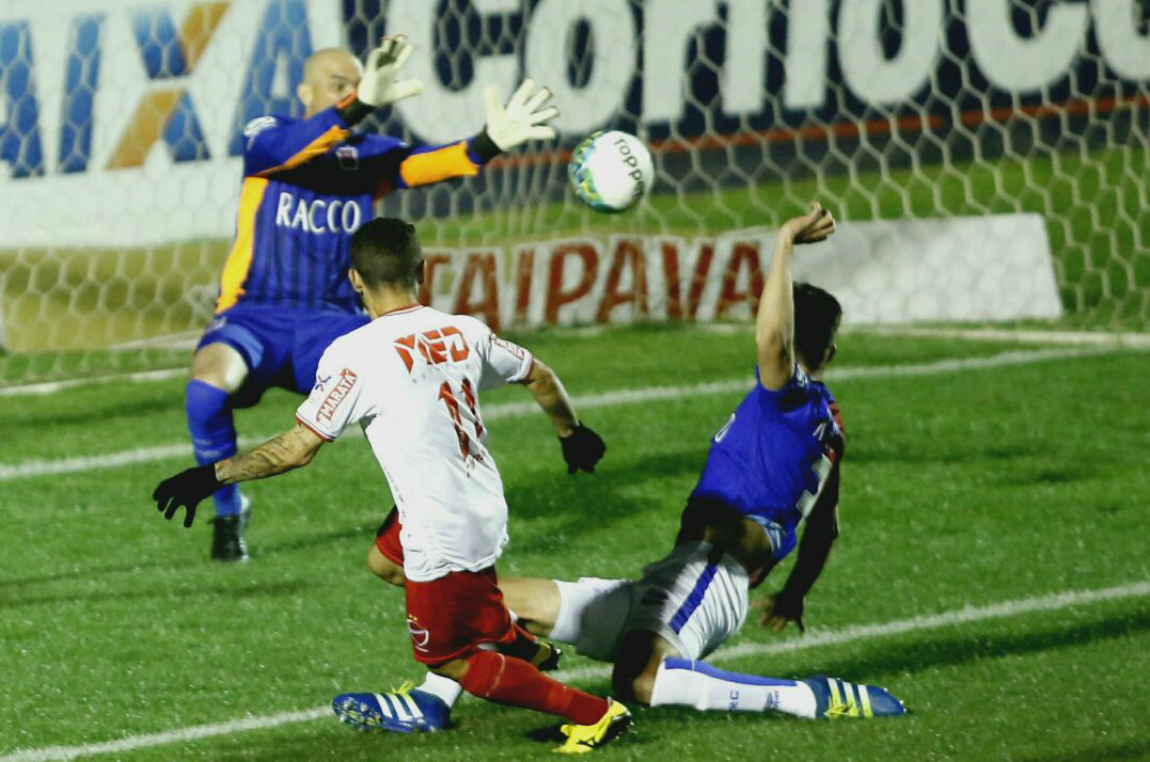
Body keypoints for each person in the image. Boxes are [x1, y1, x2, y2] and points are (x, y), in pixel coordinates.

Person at [356, 202, 907, 731]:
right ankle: (431, 704)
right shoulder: (827, 427)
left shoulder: (787, 395)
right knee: (498, 605)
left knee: (640, 681)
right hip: (675, 576)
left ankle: (808, 699)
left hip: (711, 574)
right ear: (831, 353)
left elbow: (771, 339)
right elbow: (824, 527)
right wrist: (794, 595)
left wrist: (783, 242)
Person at [153, 217, 631, 754]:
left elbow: (297, 448)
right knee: (385, 562)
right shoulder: (466, 331)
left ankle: (593, 712)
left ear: (354, 280)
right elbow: (539, 375)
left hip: (440, 526)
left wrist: (211, 474)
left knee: (451, 660)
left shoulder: (355, 354)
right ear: (421, 271)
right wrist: (572, 433)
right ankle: (521, 645)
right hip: (476, 503)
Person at [187, 36, 559, 561]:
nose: (351, 88)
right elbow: (279, 150)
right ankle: (228, 511)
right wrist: (355, 104)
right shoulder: (270, 136)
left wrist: (489, 141)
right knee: (205, 391)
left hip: (332, 326)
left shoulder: (368, 156)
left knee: (414, 388)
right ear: (305, 91)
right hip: (255, 315)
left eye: (356, 82)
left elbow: (429, 165)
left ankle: (433, 517)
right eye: (337, 83)